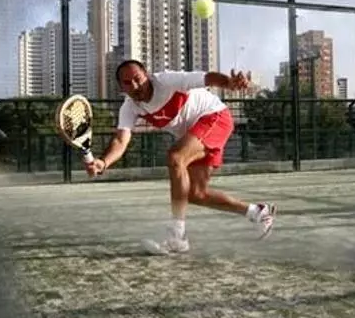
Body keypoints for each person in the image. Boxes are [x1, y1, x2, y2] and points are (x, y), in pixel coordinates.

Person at [86, 59, 277, 255]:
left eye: (137, 79)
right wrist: (103, 162)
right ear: (121, 87)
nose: (134, 86)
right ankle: (258, 212)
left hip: (214, 117)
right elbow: (120, 141)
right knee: (195, 194)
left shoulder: (167, 81)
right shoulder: (129, 107)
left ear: (147, 74)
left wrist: (229, 82)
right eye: (127, 83)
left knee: (176, 157)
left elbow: (207, 78)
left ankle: (177, 235)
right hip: (195, 134)